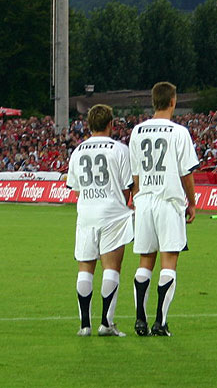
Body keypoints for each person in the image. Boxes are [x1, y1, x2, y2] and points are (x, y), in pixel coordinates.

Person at [129, 82, 199, 337]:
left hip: (145, 201)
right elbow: (186, 173)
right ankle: (160, 322)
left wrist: (137, 199)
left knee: (145, 260)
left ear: (153, 101)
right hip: (169, 202)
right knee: (169, 261)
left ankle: (140, 319)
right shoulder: (179, 132)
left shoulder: (137, 131)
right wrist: (192, 202)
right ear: (173, 102)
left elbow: (135, 174)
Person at [66, 104, 134, 337]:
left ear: (88, 125)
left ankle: (84, 325)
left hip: (86, 213)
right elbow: (127, 187)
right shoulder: (120, 149)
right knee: (111, 268)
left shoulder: (78, 151)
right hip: (112, 214)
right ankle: (106, 323)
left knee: (85, 268)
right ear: (111, 124)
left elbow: (76, 188)